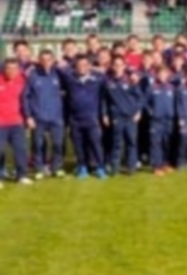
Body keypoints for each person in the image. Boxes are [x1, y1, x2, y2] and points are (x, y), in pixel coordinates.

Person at [58, 55, 107, 179]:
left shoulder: (98, 79)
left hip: (92, 118)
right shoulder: (70, 79)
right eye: (79, 65)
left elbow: (104, 94)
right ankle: (82, 167)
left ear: (89, 66)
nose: (82, 68)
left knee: (96, 144)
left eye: (85, 65)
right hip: (75, 119)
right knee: (78, 146)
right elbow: (58, 68)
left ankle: (100, 167)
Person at [23, 50, 66, 179]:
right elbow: (26, 97)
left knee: (58, 144)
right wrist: (29, 116)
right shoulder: (33, 76)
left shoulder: (59, 74)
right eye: (43, 59)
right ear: (39, 61)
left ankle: (56, 167)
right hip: (38, 117)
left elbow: (71, 83)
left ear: (53, 61)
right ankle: (39, 168)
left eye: (49, 59)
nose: (46, 62)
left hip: (56, 117)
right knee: (38, 144)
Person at [101, 55, 143, 175]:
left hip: (131, 117)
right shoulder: (108, 82)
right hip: (116, 117)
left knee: (131, 143)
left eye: (120, 65)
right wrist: (104, 114)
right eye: (116, 65)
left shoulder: (130, 80)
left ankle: (131, 168)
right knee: (117, 143)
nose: (118, 67)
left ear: (124, 66)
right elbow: (104, 100)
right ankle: (115, 168)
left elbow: (139, 98)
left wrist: (138, 111)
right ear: (112, 66)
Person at [0, 59, 31, 187]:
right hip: (1, 123)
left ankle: (22, 175)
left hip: (17, 122)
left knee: (21, 150)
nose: (11, 71)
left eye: (14, 68)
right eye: (8, 68)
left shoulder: (22, 80)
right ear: (3, 69)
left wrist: (28, 117)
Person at [145, 66, 177, 176]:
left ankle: (165, 163)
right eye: (160, 74)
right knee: (156, 143)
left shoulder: (171, 88)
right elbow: (145, 103)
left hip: (169, 120)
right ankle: (156, 166)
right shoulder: (152, 88)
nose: (163, 76)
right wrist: (151, 112)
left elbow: (175, 103)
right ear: (156, 75)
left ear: (168, 75)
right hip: (156, 121)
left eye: (165, 74)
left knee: (167, 142)